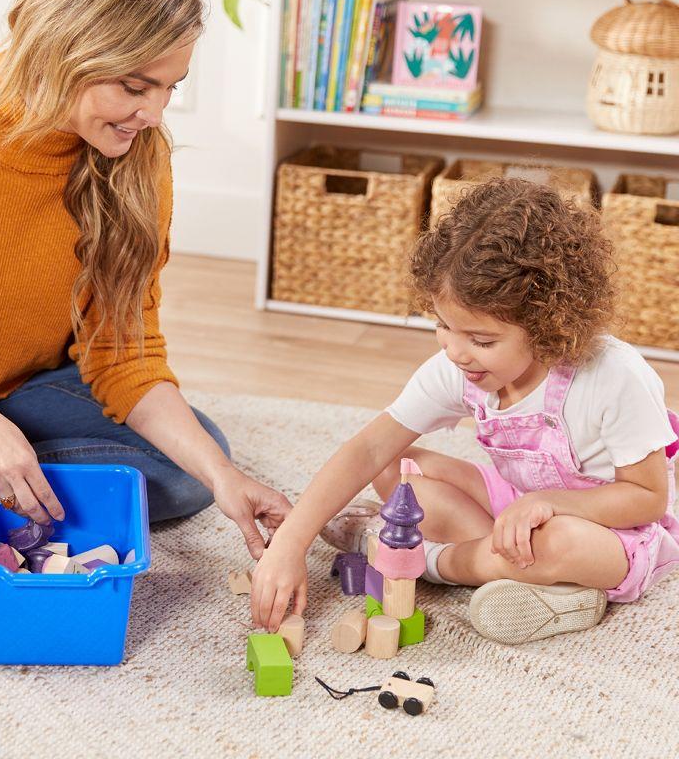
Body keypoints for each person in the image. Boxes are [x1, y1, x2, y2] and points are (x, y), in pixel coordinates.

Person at [0, 0, 290, 558]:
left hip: (20, 385)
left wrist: (223, 482)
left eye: (170, 87)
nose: (155, 113)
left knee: (187, 469)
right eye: (135, 86)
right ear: (60, 49)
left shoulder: (136, 155)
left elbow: (126, 355)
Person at [250, 178, 679, 643]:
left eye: (482, 340)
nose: (457, 352)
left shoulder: (613, 377)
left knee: (557, 543)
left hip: (608, 526)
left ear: (548, 323)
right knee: (398, 469)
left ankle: (432, 562)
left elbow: (647, 498)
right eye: (443, 326)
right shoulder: (460, 365)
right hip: (515, 503)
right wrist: (292, 542)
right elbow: (371, 448)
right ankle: (524, 573)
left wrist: (547, 504)